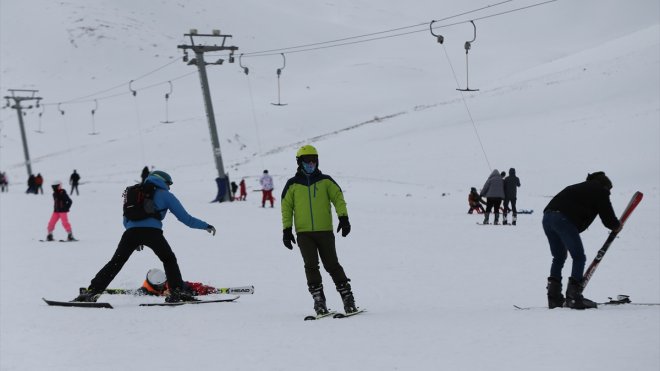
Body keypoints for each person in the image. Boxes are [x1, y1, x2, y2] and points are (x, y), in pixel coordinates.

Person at [74, 170, 217, 303]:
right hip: (153, 233)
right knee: (168, 259)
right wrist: (205, 226)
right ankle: (177, 292)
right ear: (163, 181)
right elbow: (186, 218)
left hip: (130, 233)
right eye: (169, 184)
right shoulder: (165, 195)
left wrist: (136, 237)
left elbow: (126, 220)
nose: (169, 187)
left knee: (115, 262)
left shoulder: (134, 193)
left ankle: (91, 292)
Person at [281, 144, 358, 315]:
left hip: (325, 231)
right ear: (299, 162)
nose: (311, 163)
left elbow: (338, 198)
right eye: (307, 160)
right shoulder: (292, 184)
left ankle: (348, 298)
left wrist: (343, 218)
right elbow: (286, 208)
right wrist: (286, 230)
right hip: (304, 233)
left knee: (332, 264)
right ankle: (319, 301)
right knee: (311, 265)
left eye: (313, 160)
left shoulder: (325, 181)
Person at [543, 171, 621, 310]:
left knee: (559, 257)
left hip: (547, 218)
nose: (609, 193)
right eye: (609, 190)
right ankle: (574, 297)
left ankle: (553, 298)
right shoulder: (600, 191)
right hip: (563, 220)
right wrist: (616, 226)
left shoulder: (578, 187)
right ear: (605, 185)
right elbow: (608, 218)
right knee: (579, 257)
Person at [136, 268, 220, 296]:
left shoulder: (166, 282)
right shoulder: (145, 290)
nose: (163, 285)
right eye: (160, 285)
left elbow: (185, 285)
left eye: (164, 283)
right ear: (153, 285)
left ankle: (205, 289)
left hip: (189, 288)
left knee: (184, 287)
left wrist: (199, 289)